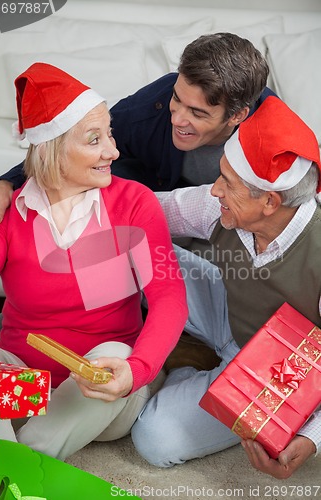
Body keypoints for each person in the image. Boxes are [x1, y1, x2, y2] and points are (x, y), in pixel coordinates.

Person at [0, 62, 188, 460]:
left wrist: (138, 369)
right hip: (24, 386)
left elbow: (169, 296)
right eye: (95, 139)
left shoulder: (134, 203)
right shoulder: (7, 210)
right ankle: (11, 471)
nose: (113, 151)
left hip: (104, 392)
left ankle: (14, 464)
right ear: (52, 149)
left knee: (112, 351)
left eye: (109, 134)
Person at [130, 96, 321, 480]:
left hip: (278, 372)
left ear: (270, 201)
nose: (214, 190)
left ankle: (194, 374)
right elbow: (143, 209)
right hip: (225, 310)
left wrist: (310, 436)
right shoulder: (217, 205)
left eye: (227, 184)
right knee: (132, 247)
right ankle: (200, 368)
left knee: (154, 439)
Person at [0, 33, 275, 225]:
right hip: (148, 207)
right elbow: (69, 145)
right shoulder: (156, 101)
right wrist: (7, 181)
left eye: (198, 113)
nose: (177, 119)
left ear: (237, 115)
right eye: (178, 99)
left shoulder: (272, 132)